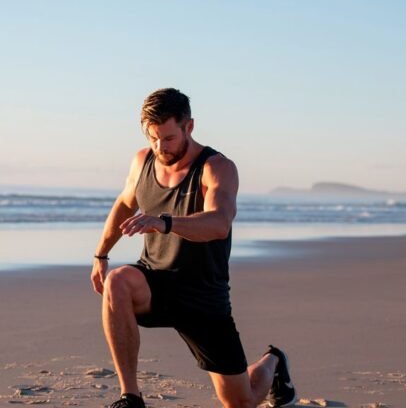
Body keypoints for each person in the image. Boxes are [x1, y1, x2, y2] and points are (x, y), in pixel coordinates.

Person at [90, 88, 296, 408]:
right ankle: (130, 397)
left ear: (189, 126)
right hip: (154, 281)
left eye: (169, 138)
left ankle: (272, 361)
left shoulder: (217, 168)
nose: (160, 147)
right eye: (153, 137)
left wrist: (165, 222)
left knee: (240, 401)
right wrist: (101, 255)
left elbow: (219, 223)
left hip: (202, 295)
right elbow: (125, 203)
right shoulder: (143, 160)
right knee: (118, 280)